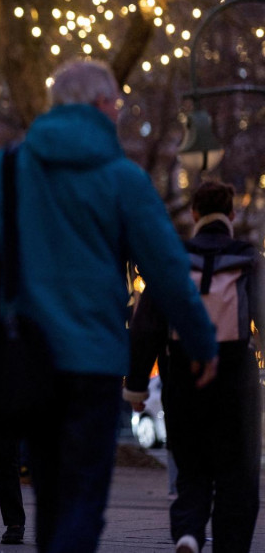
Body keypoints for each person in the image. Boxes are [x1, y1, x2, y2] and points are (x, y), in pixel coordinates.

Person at [0, 58, 219, 553]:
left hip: (27, 359)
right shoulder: (122, 177)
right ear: (100, 105)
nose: (118, 113)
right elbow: (165, 269)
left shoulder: (6, 170)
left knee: (51, 496)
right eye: (115, 104)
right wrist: (201, 339)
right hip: (93, 360)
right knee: (84, 498)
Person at [126, 180, 263, 553]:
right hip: (236, 374)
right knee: (238, 475)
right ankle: (230, 544)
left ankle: (187, 531)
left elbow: (146, 325)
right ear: (232, 214)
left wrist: (137, 387)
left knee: (191, 466)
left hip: (183, 372)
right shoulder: (248, 258)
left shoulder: (174, 257)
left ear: (194, 214)